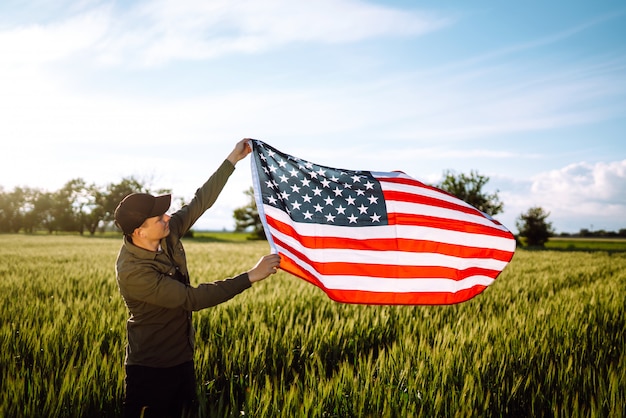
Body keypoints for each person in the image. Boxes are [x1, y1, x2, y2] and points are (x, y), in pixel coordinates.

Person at [113, 138, 280, 418]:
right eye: (158, 218)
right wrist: (251, 276)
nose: (167, 217)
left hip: (183, 360)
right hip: (151, 371)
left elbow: (200, 202)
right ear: (139, 232)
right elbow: (192, 299)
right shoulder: (134, 272)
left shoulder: (167, 232)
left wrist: (232, 160)